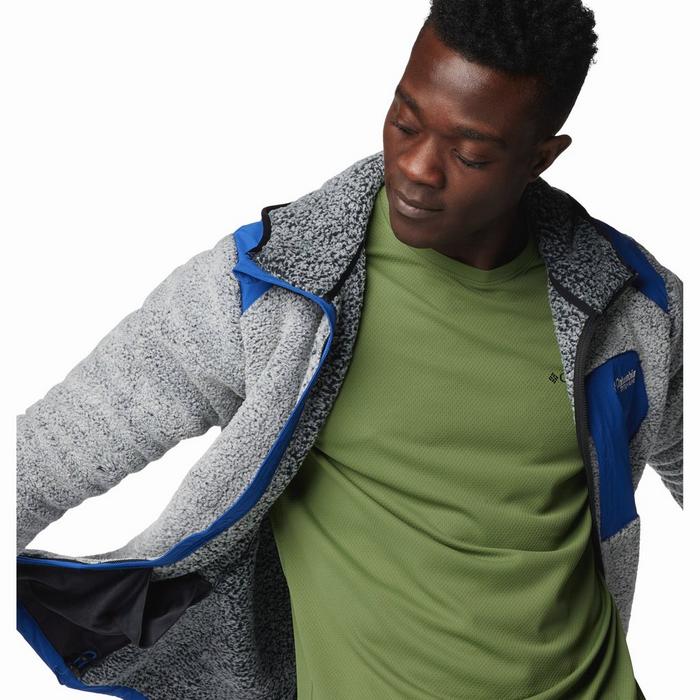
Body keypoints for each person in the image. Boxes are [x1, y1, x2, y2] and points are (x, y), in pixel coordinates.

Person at [16, 1, 682, 698]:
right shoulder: (278, 288)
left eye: (470, 154)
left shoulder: (633, 307)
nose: (417, 168)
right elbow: (46, 455)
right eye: (405, 122)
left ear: (541, 158)